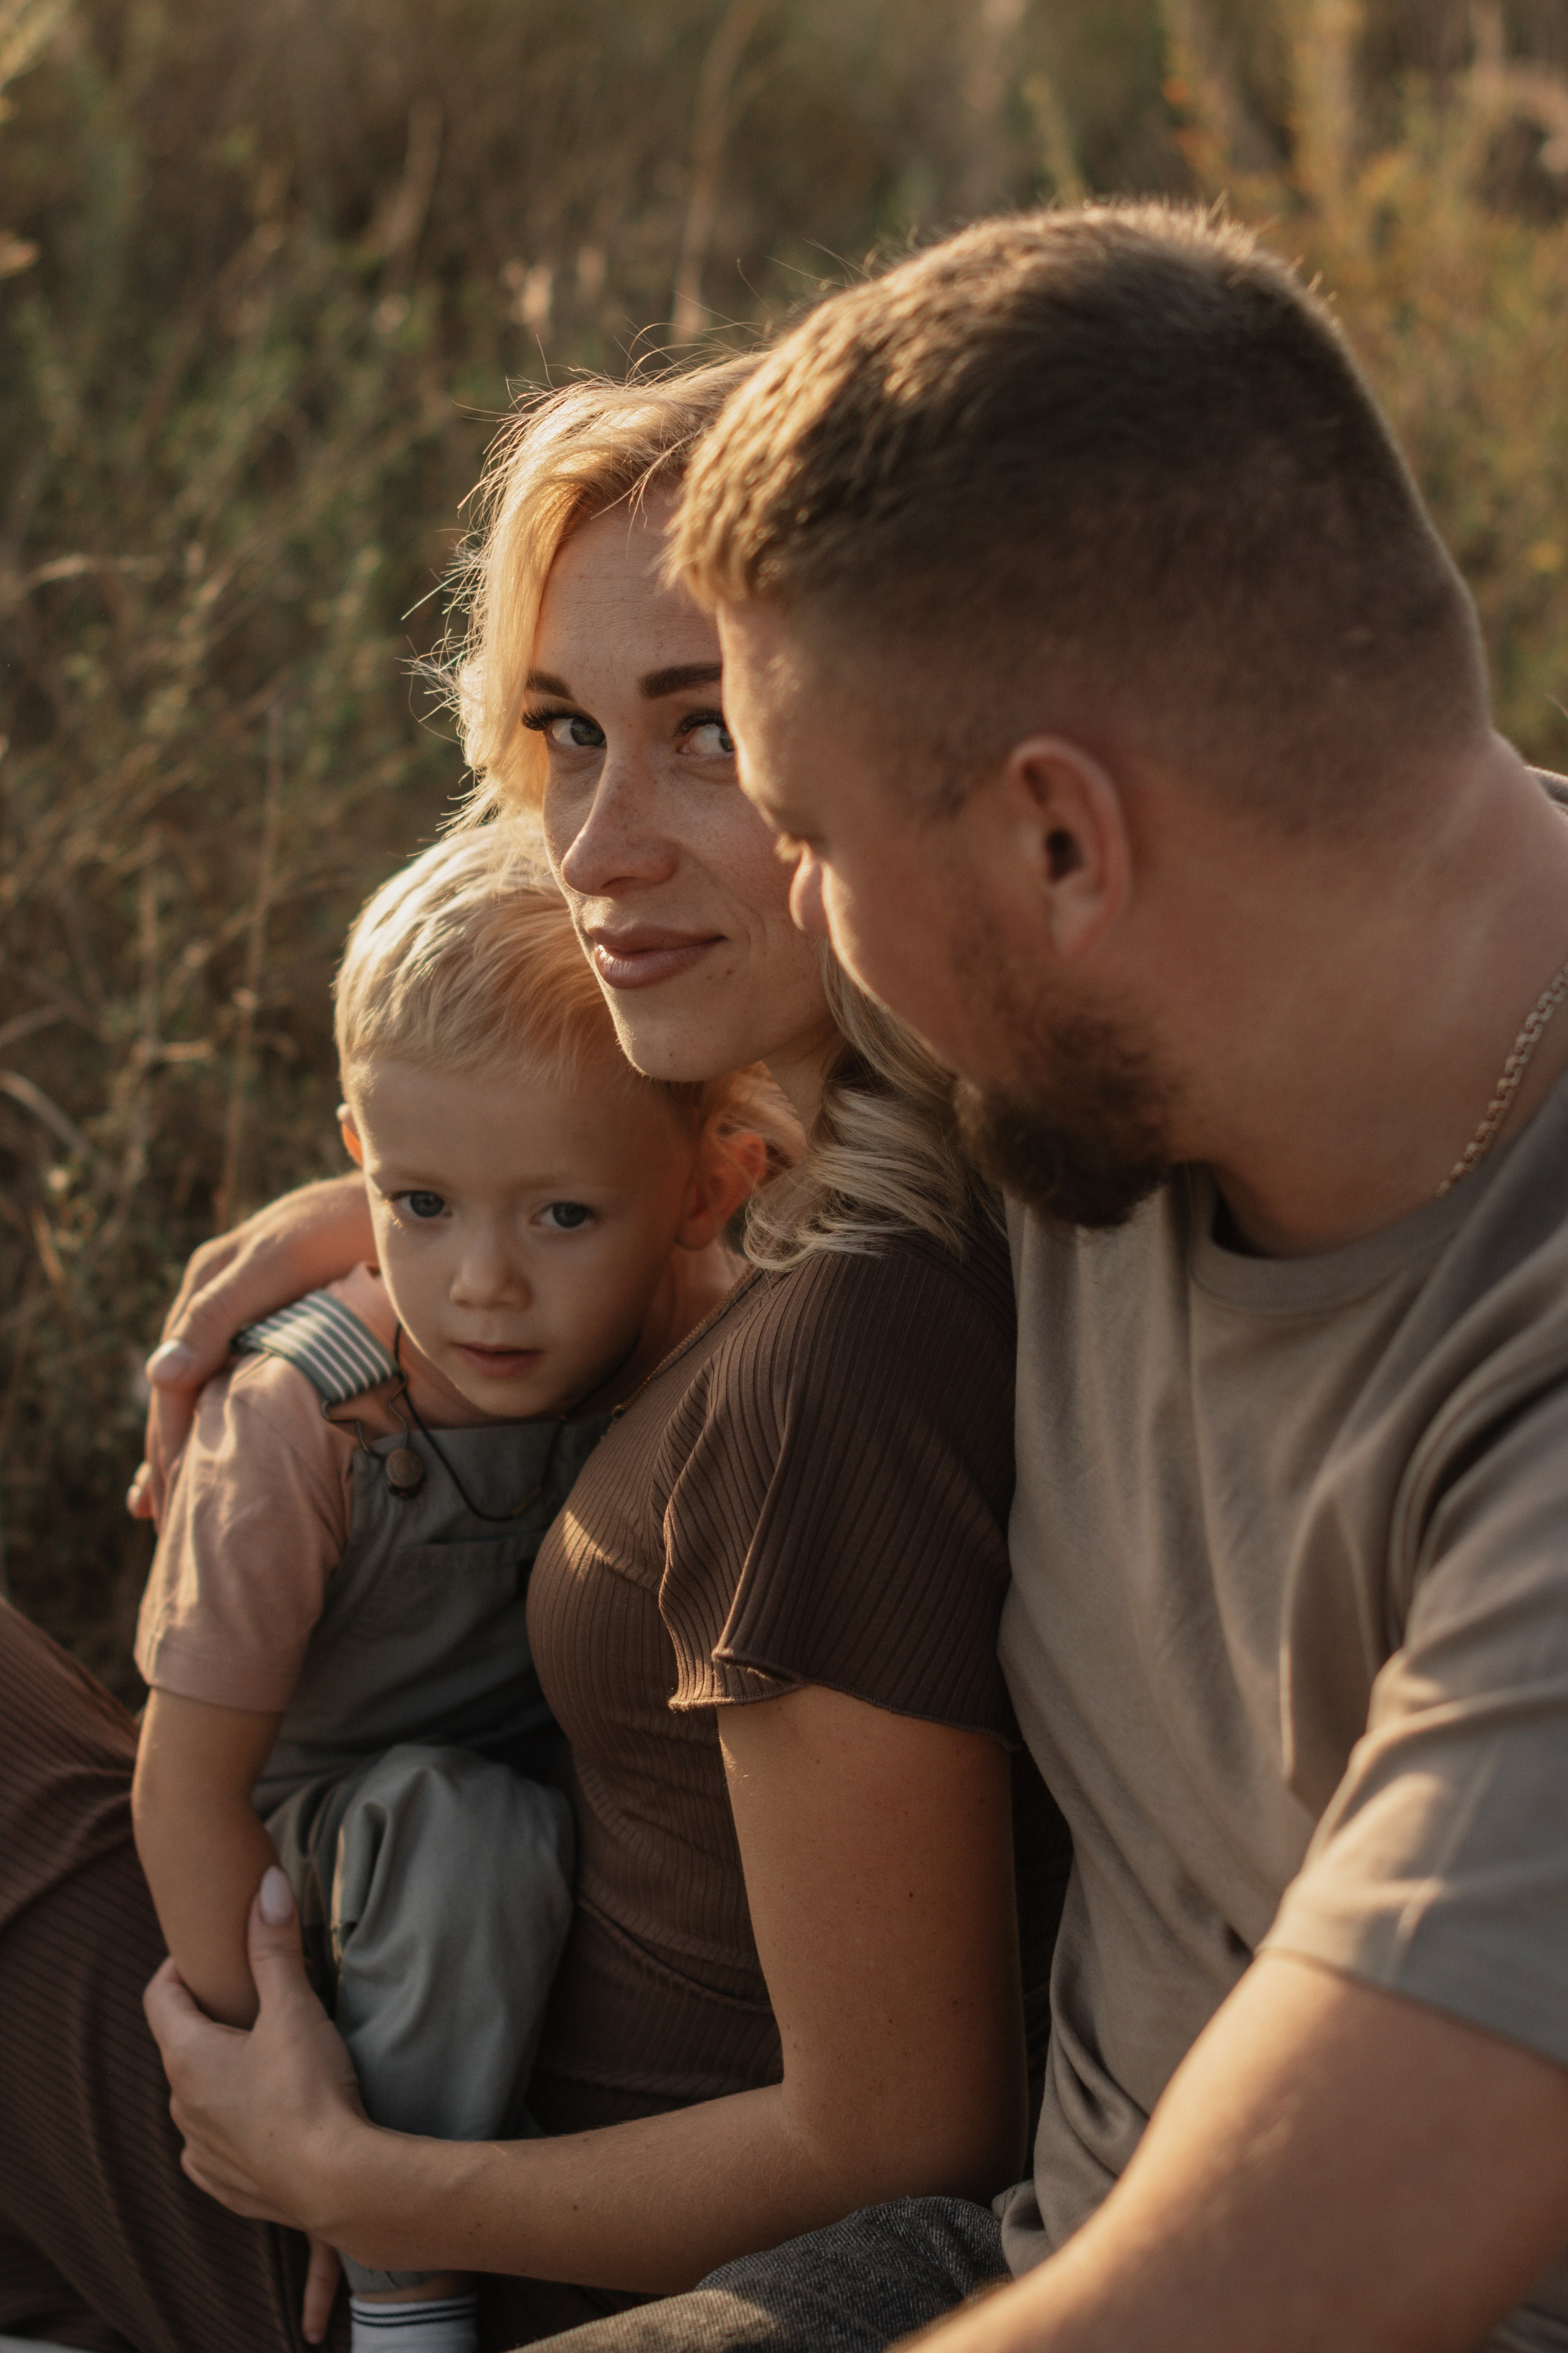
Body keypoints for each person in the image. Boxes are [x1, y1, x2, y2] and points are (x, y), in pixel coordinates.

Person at [397, 199, 1568, 2352]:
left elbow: (1291, 2283)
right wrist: (324, 1244)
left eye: (812, 838)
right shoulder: (1182, 971)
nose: (804, 916)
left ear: (1061, 846)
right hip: (1000, 2241)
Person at [0, 358, 1069, 2353]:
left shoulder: (842, 1349)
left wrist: (342, 2178)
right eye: (564, 733)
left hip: (455, 2220)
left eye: (705, 736)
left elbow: (901, 2127)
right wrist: (416, 1233)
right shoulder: (778, 1190)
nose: (599, 842)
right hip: (427, 2019)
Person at [133, 826, 778, 2353]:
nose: (484, 1283)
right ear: (356, 1160)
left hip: (550, 1810)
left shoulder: (705, 1329)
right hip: (331, 1841)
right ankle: (406, 2291)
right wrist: (292, 2086)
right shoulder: (304, 1420)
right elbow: (185, 1788)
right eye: (422, 1204)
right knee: (458, 1830)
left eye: (559, 1214)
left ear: (705, 1189)